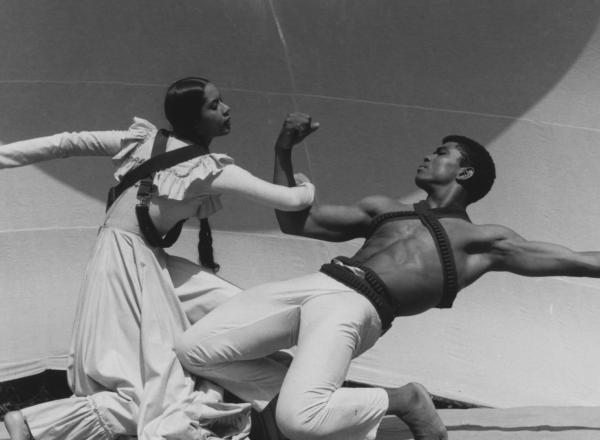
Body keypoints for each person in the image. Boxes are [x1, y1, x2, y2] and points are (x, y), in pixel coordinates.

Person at [173, 112, 600, 440]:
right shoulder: (385, 208)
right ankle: (306, 387)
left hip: (358, 306)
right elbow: (295, 222)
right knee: (195, 350)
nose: (428, 155)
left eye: (442, 153)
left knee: (299, 422)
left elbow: (577, 261)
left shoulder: (483, 240)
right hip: (320, 282)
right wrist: (283, 149)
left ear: (464, 173)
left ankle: (407, 399)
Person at [1, 79, 315, 440]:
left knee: (231, 314)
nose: (226, 109)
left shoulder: (143, 144)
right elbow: (289, 200)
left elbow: (65, 142)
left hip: (136, 259)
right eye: (214, 105)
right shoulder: (208, 167)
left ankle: (291, 381)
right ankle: (29, 425)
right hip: (127, 268)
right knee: (152, 397)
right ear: (194, 120)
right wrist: (305, 182)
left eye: (222, 101)